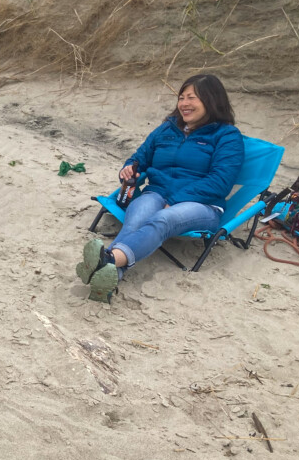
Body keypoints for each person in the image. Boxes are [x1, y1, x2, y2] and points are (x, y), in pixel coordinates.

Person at [77, 74, 245, 302]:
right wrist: (129, 170)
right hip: (157, 192)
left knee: (164, 219)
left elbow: (221, 181)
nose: (184, 103)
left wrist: (177, 199)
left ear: (212, 100)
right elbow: (139, 158)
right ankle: (110, 273)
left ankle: (107, 259)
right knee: (136, 219)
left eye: (191, 98)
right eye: (181, 97)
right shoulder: (166, 129)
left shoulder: (227, 136)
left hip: (202, 204)